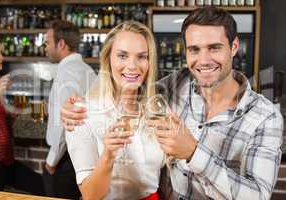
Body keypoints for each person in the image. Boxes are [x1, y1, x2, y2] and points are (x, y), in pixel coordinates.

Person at [61, 7, 283, 200]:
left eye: (214, 47)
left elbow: (257, 196)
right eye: (194, 49)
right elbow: (131, 87)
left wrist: (194, 153)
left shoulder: (265, 116)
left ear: (234, 47)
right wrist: (75, 107)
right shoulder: (174, 86)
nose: (203, 60)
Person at [65, 21, 165, 200]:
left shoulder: (156, 109)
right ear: (107, 58)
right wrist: (108, 155)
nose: (133, 66)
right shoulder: (82, 114)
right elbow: (90, 195)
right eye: (122, 56)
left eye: (142, 56)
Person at [43, 20, 96, 199]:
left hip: (65, 160)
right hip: (84, 157)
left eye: (47, 42)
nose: (45, 47)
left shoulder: (65, 74)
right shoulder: (88, 70)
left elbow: (65, 124)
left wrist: (51, 162)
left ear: (61, 44)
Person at [0, 35, 44, 195]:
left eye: (1, 52)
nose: (1, 57)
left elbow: (3, 114)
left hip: (5, 158)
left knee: (40, 185)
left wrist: (20, 107)